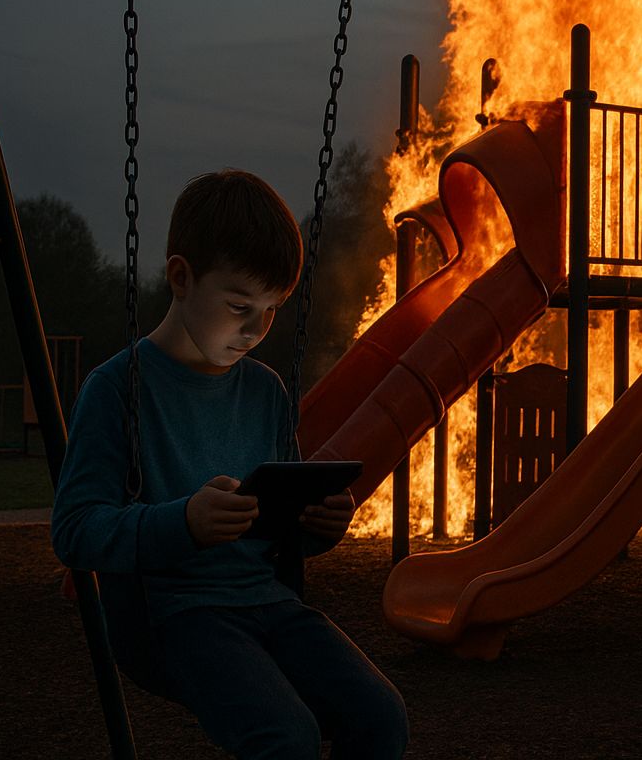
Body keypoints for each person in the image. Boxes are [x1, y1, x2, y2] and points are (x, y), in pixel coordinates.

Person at [52, 169, 408, 759]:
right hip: (173, 617)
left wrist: (315, 526)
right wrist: (182, 522)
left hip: (267, 601)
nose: (256, 329)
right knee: (284, 736)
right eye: (241, 305)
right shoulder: (117, 390)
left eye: (272, 310)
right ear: (181, 277)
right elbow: (74, 529)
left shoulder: (265, 391)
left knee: (379, 714)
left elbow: (272, 528)